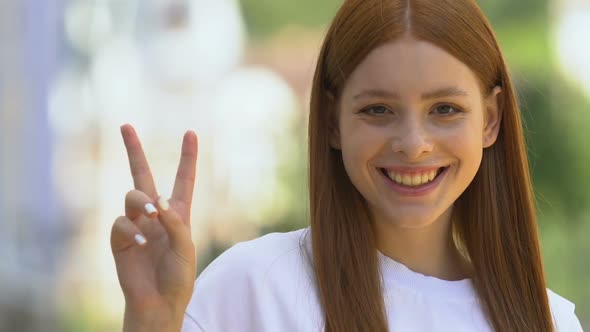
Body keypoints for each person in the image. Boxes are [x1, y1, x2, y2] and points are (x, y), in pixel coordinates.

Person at [111, 0, 584, 331]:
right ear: (333, 122)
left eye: (445, 109)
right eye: (377, 109)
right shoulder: (252, 289)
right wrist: (153, 321)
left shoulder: (549, 321)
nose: (413, 145)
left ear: (492, 119)